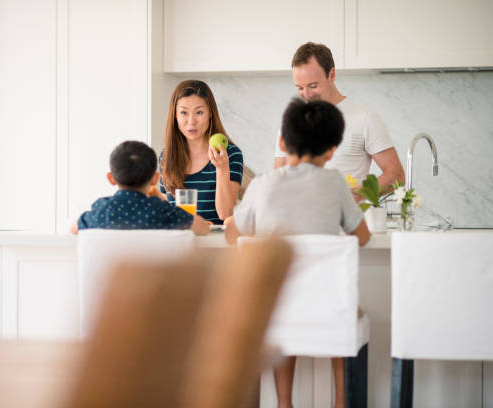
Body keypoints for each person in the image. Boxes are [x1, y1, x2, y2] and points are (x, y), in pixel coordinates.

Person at [225, 98, 370, 408]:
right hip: (329, 308)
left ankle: (284, 403)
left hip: (276, 308)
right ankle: (341, 402)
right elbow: (362, 236)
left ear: (282, 140)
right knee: (340, 308)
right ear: (332, 149)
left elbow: (233, 235)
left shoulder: (262, 185)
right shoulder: (335, 184)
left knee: (284, 309)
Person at [274, 42, 405, 200]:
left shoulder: (364, 118)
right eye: (300, 88)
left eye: (313, 85)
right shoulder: (292, 121)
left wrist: (351, 197)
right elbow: (278, 179)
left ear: (332, 74)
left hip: (346, 222)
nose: (307, 95)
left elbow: (396, 175)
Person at [70, 140, 209, 235]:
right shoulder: (163, 212)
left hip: (111, 278)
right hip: (155, 278)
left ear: (111, 178)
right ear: (155, 179)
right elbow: (203, 228)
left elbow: (74, 229)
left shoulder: (101, 211)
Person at [158, 80, 243, 225]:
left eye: (199, 112)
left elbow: (225, 214)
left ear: (210, 113)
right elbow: (165, 208)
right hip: (177, 242)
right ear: (175, 116)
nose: (191, 121)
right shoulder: (166, 157)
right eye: (184, 112)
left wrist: (222, 169)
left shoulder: (230, 154)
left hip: (215, 244)